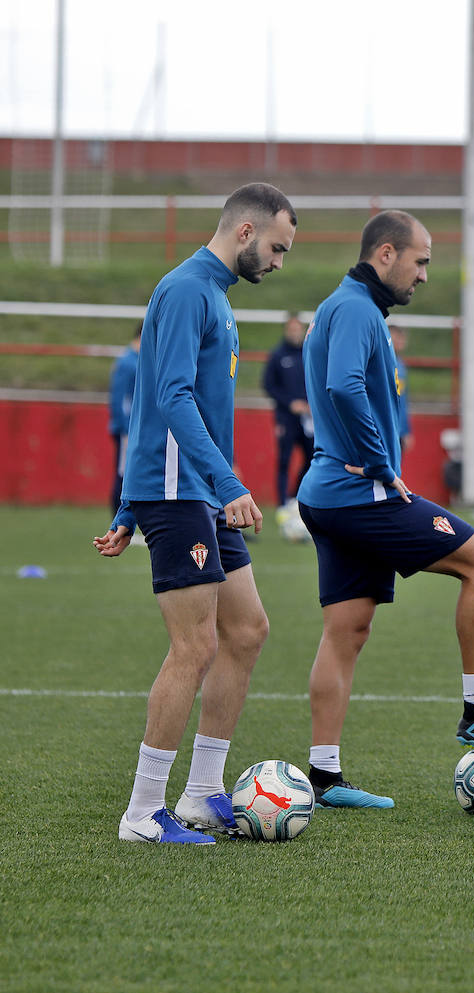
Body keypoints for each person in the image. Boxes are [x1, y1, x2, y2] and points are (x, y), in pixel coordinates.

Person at [295, 209, 474, 811]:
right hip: (361, 494)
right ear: (386, 254)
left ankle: (324, 776)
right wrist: (382, 464)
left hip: (326, 495)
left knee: (347, 630)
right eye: (421, 260)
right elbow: (343, 386)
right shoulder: (356, 308)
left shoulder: (348, 307)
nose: (425, 275)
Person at [93, 182, 298, 844]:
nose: (279, 261)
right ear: (244, 232)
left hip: (197, 492)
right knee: (196, 643)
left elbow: (158, 397)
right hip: (182, 490)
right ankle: (141, 811)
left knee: (247, 629)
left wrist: (127, 503)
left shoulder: (214, 296)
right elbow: (170, 395)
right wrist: (220, 481)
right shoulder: (187, 289)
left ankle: (203, 792)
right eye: (276, 247)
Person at [262, 312, 313, 511]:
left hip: (308, 419)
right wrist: (289, 403)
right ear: (286, 330)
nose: (294, 333)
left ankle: (295, 497)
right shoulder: (278, 355)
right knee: (284, 459)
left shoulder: (308, 353)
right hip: (286, 418)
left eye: (297, 329)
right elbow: (268, 385)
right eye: (291, 329)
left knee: (312, 458)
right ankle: (282, 504)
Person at [107, 322, 141, 518]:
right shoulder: (127, 362)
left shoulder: (136, 360)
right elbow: (118, 400)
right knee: (123, 476)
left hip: (132, 430)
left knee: (130, 475)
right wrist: (126, 431)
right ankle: (116, 522)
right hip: (126, 431)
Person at [389, 325, 415, 454]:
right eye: (397, 336)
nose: (401, 340)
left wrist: (406, 431)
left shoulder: (400, 365)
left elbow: (402, 402)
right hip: (384, 430)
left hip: (397, 430)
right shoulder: (380, 363)